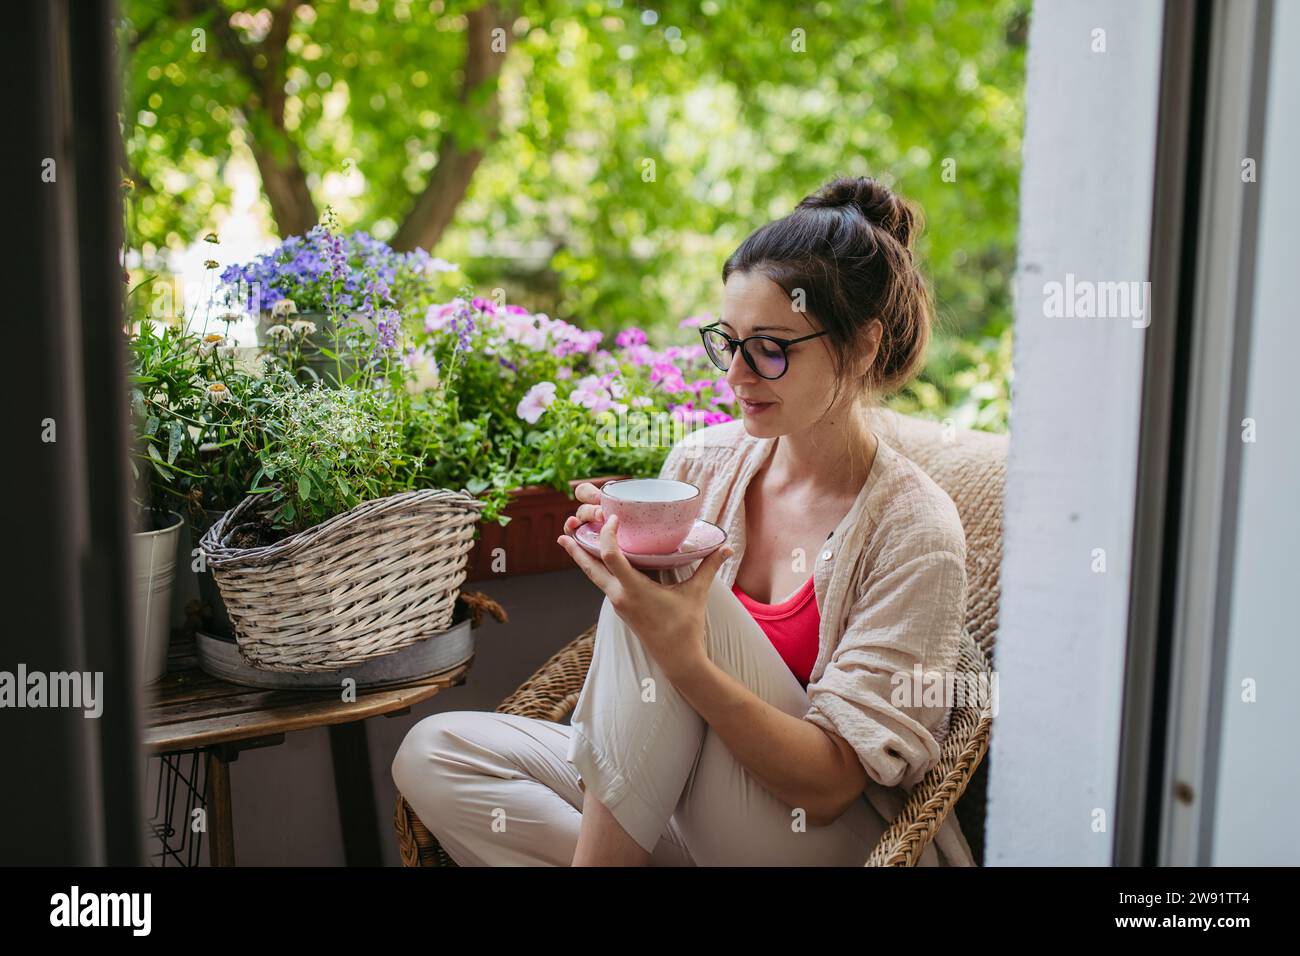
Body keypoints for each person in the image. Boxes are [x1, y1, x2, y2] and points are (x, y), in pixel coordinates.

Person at [392, 174, 976, 866]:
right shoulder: (702, 463)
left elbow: (827, 787)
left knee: (669, 600)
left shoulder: (915, 529)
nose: (735, 375)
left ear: (862, 346)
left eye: (771, 347)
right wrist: (622, 541)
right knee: (435, 755)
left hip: (820, 834)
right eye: (727, 342)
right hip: (686, 806)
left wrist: (680, 653)